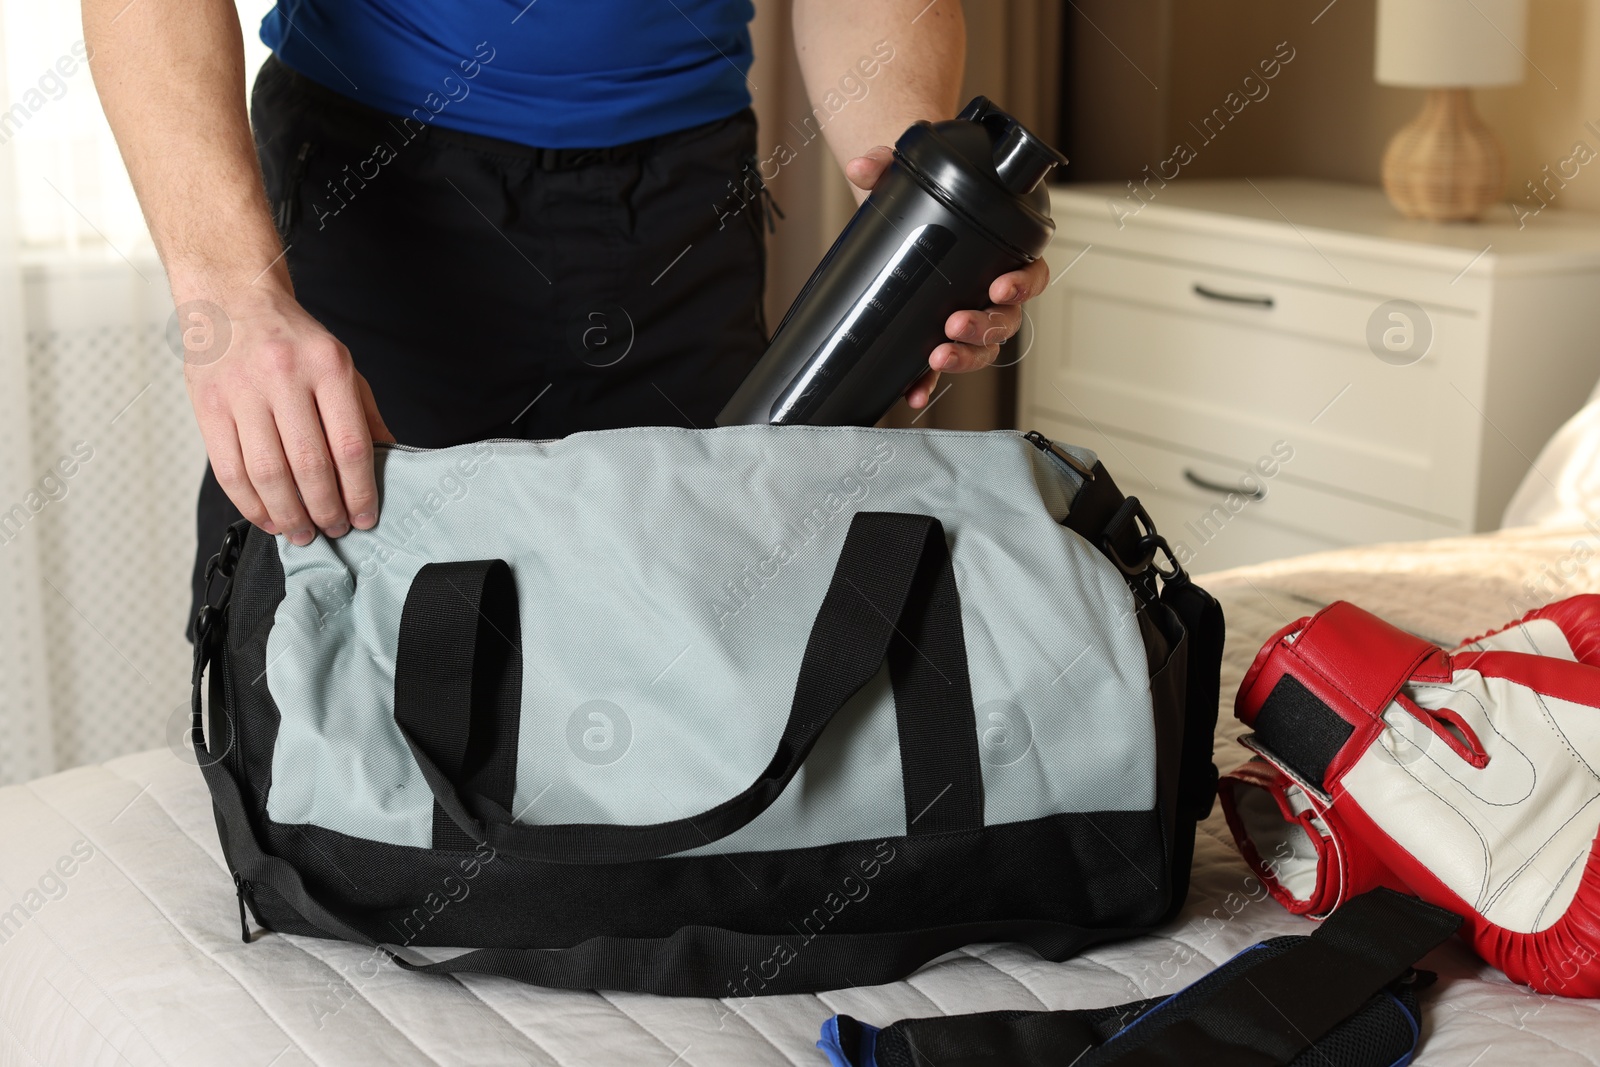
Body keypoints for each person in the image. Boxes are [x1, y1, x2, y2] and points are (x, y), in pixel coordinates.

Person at [82, 0, 1049, 628]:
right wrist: (231, 299)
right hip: (376, 188)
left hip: (675, 213)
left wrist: (913, 210)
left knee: (710, 637)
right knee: (328, 655)